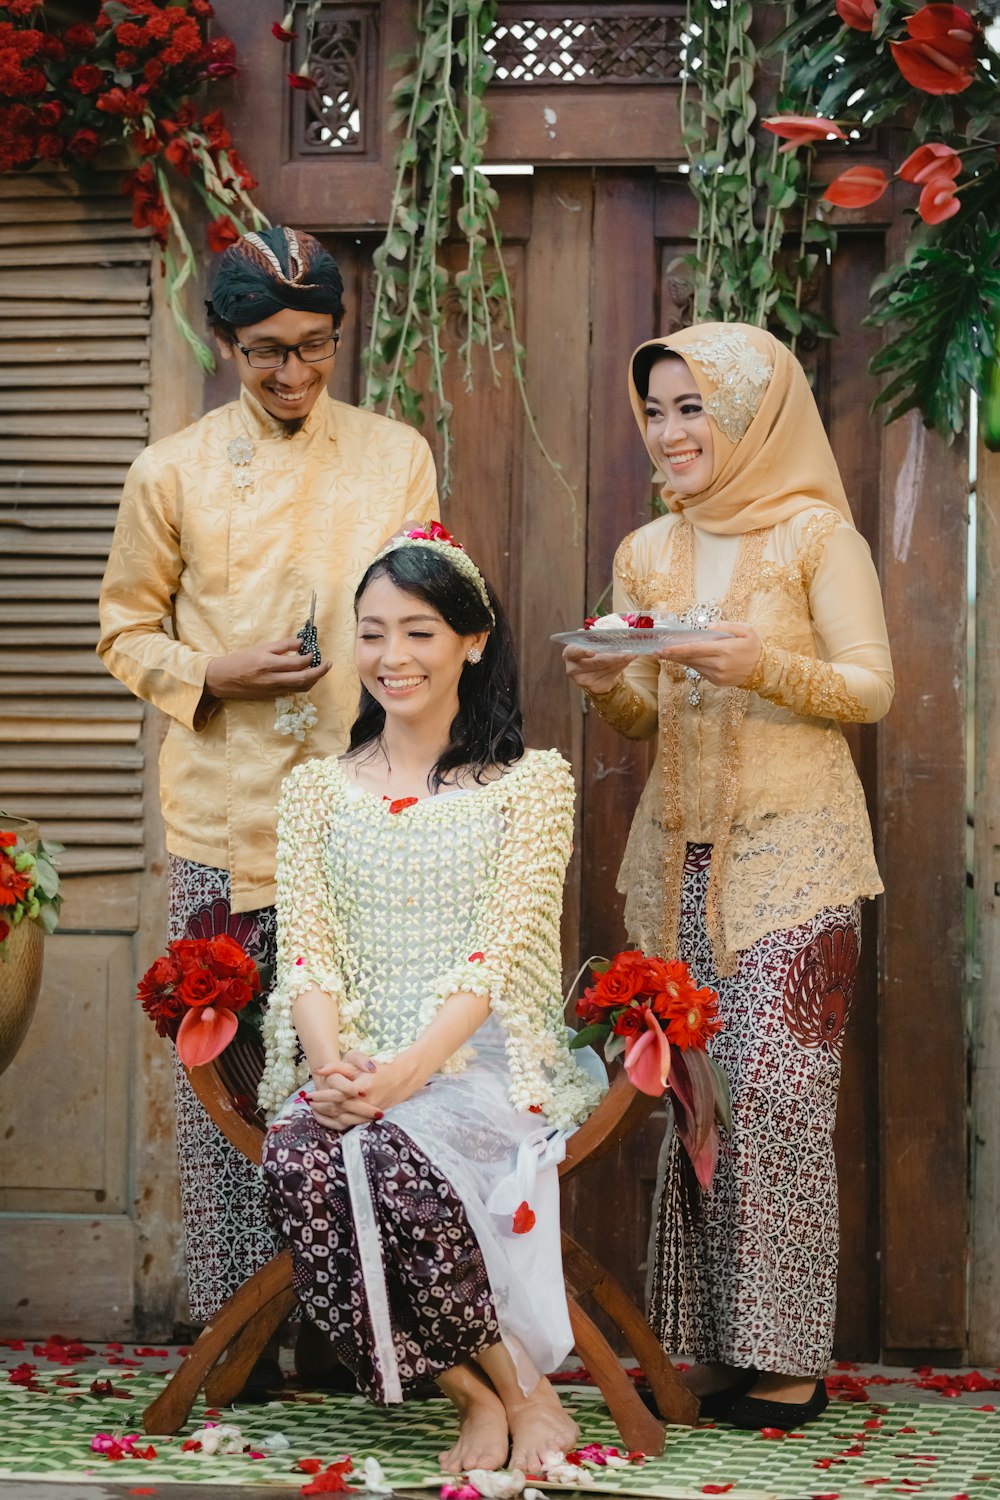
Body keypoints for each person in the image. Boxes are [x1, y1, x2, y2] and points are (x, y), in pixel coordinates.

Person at [97, 226, 438, 1349]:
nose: (291, 376)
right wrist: (213, 672)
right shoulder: (172, 470)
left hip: (363, 811)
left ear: (339, 337)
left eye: (312, 348)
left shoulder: (395, 456)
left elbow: (432, 606)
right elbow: (123, 632)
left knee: (354, 1071)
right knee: (227, 1087)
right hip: (221, 813)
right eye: (263, 355)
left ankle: (357, 1336)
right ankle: (235, 1339)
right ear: (225, 344)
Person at [562, 323, 893, 1431]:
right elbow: (649, 716)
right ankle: (709, 1344)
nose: (668, 431)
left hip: (798, 856)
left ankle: (787, 1358)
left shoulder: (815, 539)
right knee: (692, 1100)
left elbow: (869, 689)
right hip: (678, 867)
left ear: (749, 413)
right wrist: (608, 681)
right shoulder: (645, 553)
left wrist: (761, 663)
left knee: (781, 1100)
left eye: (691, 407)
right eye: (654, 409)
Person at [259, 526, 603, 1471]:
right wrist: (333, 1070)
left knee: (392, 1160)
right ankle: (481, 1395)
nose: (391, 657)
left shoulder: (530, 786)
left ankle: (525, 1398)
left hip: (483, 1062)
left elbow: (496, 956)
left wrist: (405, 1075)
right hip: (355, 1061)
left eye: (418, 631)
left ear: (472, 640)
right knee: (298, 1157)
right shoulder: (315, 792)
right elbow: (310, 955)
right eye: (372, 633)